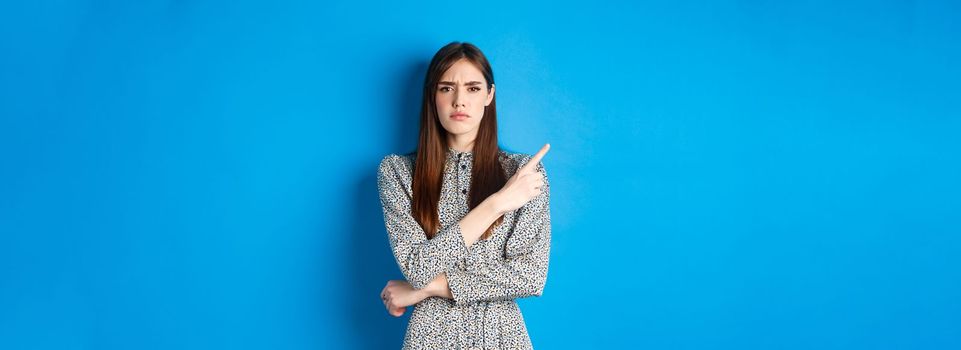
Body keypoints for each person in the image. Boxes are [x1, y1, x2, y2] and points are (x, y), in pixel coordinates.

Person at [377, 41, 552, 349]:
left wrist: (425, 289)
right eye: (446, 88)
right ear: (433, 96)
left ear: (489, 96)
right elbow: (417, 267)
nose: (459, 101)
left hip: (502, 336)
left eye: (472, 88)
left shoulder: (523, 173)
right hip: (429, 338)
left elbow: (529, 277)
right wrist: (496, 204)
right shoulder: (398, 173)